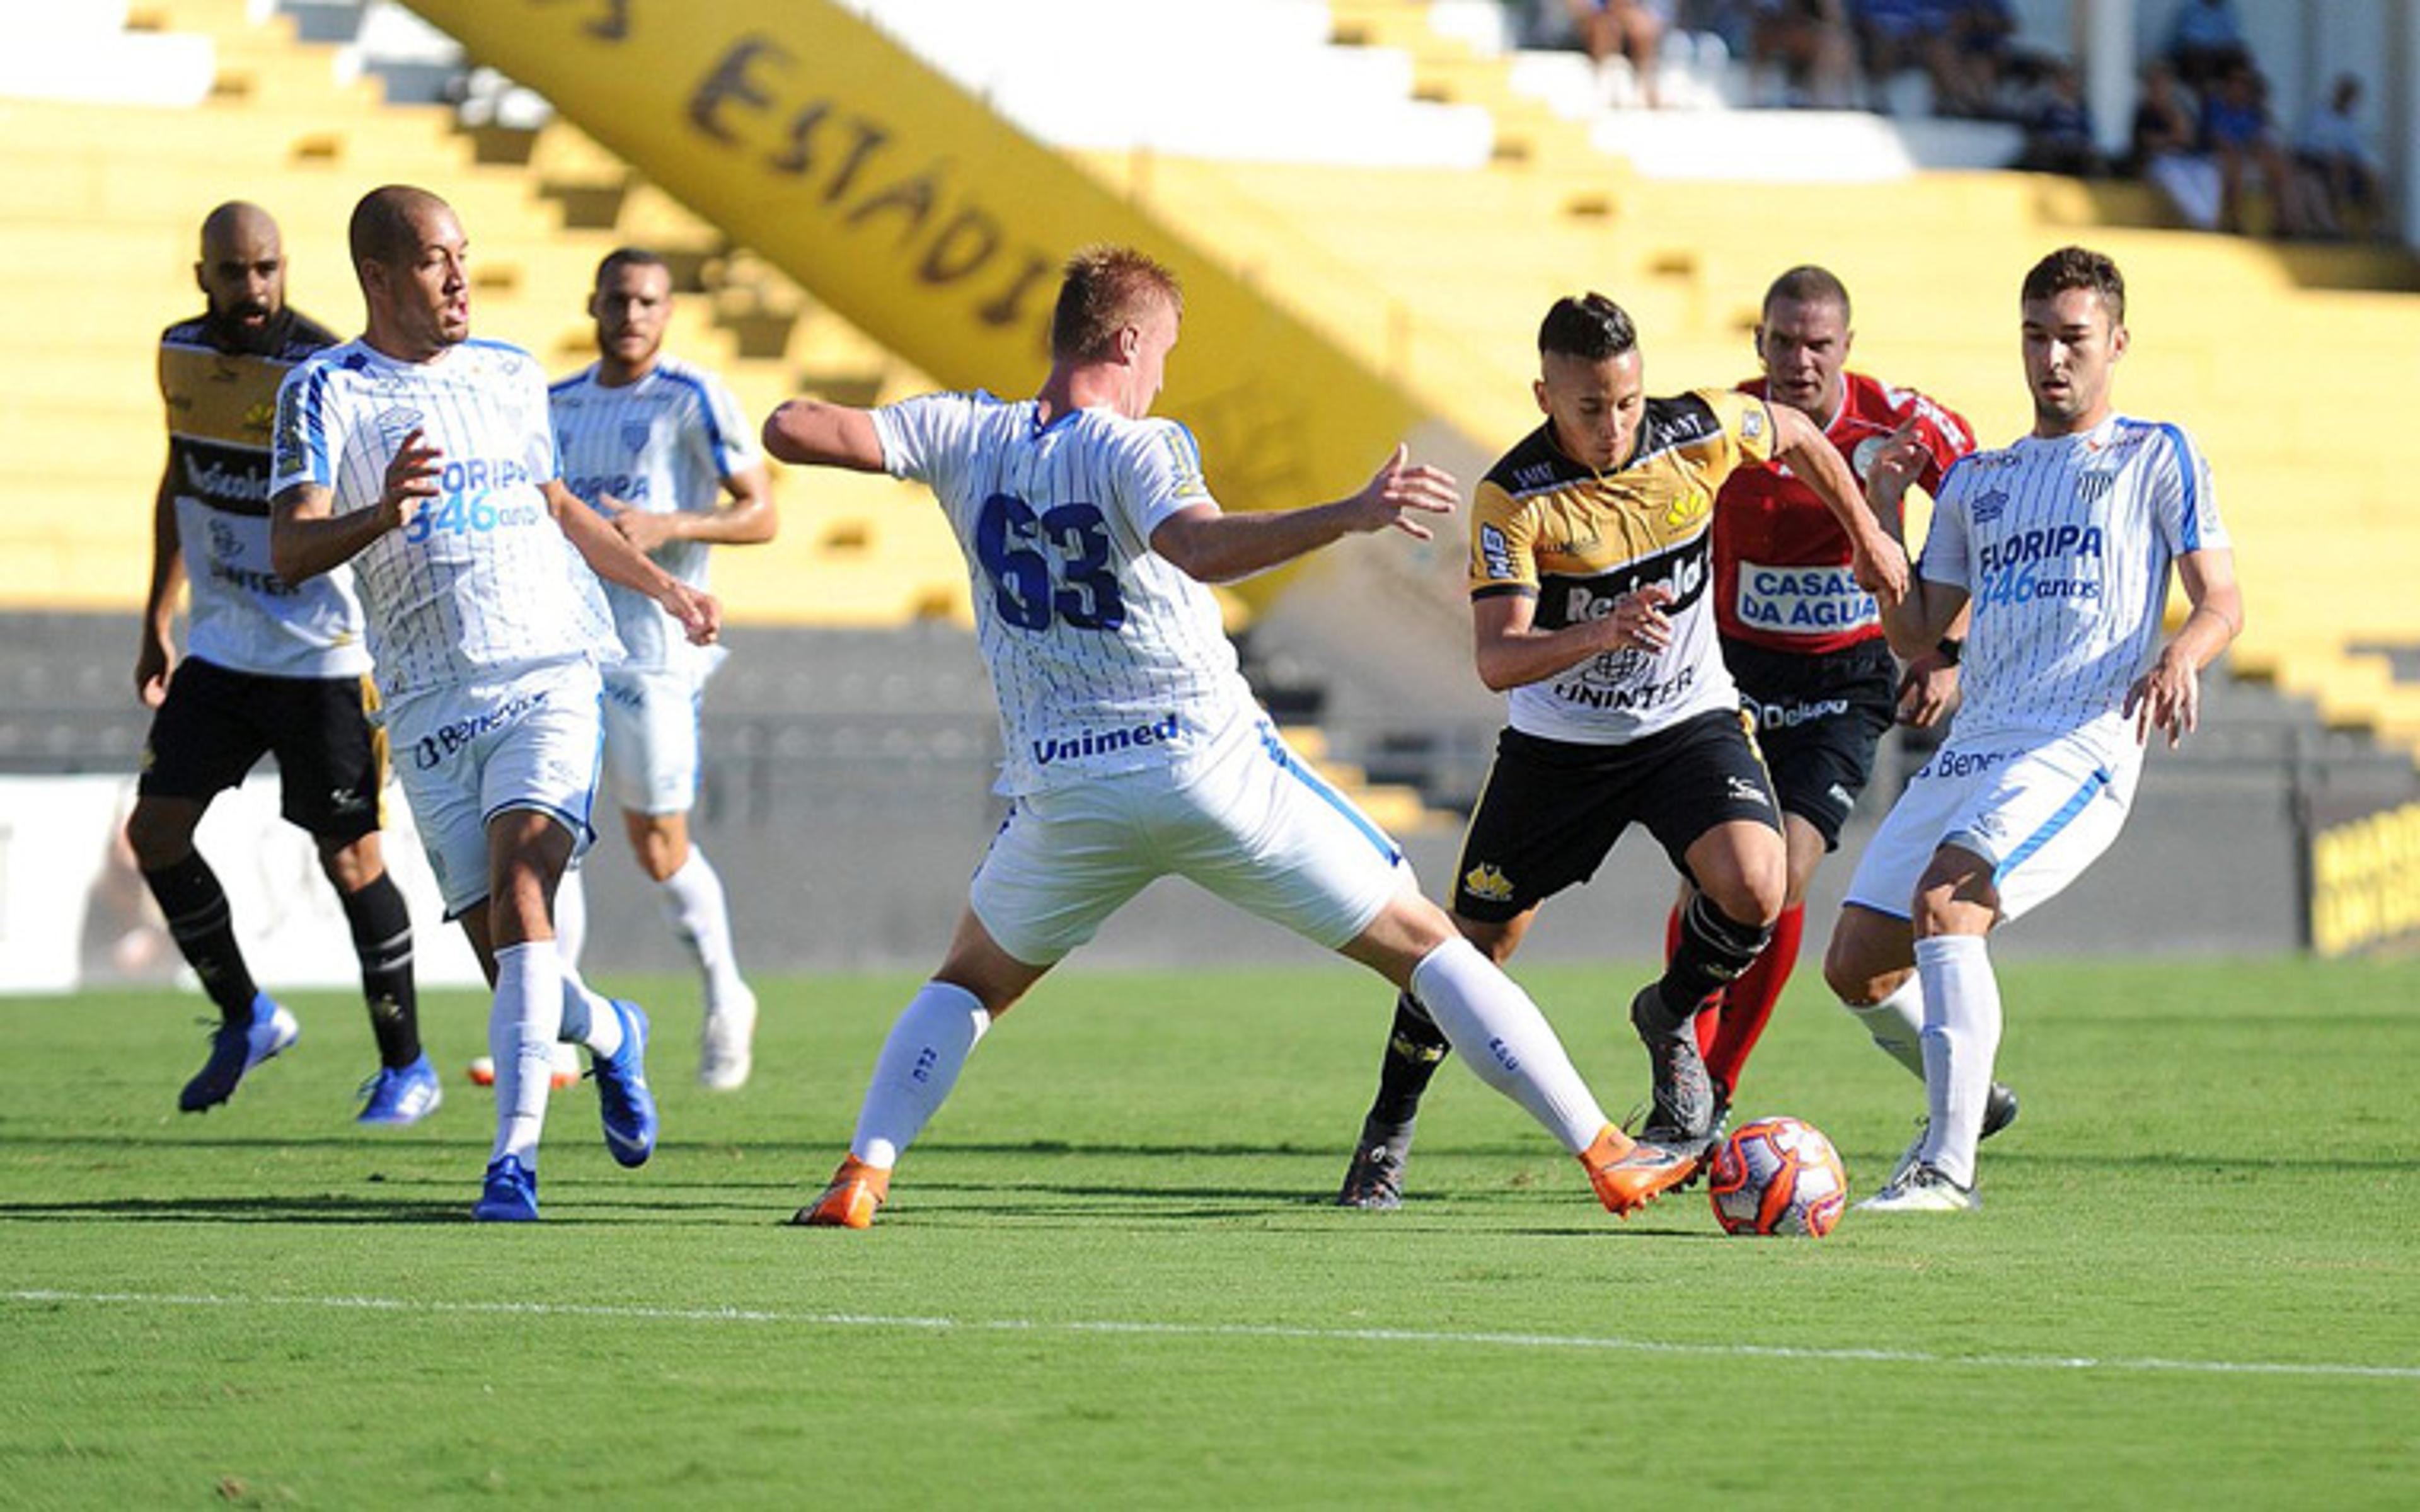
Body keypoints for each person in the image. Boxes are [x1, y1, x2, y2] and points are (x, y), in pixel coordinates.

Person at [763, 246, 1695, 1229]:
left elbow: (792, 427)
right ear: (1127, 340)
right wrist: (1350, 514)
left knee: (969, 984)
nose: (1163, 369)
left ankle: (862, 1175)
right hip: (1204, 766)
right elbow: (1201, 549)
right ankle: (1605, 1151)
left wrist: (880, 436)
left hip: (1064, 793)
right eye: (1162, 347)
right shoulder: (1138, 445)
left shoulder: (961, 431)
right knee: (1429, 946)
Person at [1332, 291, 1909, 1210]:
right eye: (1590, 407)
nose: (1615, 425)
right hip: (1559, 749)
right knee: (1468, 953)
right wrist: (1601, 633)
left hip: (1685, 725)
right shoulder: (1513, 498)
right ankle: (1387, 1131)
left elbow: (1797, 430)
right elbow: (1496, 658)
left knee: (1760, 887)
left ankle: (1668, 1011)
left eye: (1627, 401)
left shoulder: (1698, 428)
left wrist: (1868, 533)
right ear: (1545, 396)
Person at [269, 185, 722, 1221]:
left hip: (547, 672)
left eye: (464, 254)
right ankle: (612, 1033)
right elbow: (291, 548)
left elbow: (557, 506)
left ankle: (510, 1166)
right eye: (435, 261)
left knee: (528, 896)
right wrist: (381, 512)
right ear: (379, 277)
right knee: (517, 964)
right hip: (427, 704)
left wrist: (666, 586)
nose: (461, 278)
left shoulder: (513, 375)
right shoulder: (324, 392)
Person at [1823, 245, 2242, 1211]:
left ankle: (1946, 1162)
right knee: (1855, 964)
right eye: (2036, 337)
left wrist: (2183, 654)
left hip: (2079, 739)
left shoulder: (2155, 455)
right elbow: (1916, 631)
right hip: (1975, 744)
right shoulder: (1979, 481)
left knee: (1949, 904)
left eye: (2074, 339)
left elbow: (2222, 599)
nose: (2053, 359)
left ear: (2117, 344)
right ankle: (1972, 1095)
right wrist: (1881, 511)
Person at [133, 201, 435, 1124]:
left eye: (268, 269)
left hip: (322, 659)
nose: (255, 289)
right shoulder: (180, 353)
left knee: (352, 859)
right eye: (236, 273)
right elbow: (181, 477)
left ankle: (406, 1066)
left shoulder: (325, 369)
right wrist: (158, 612)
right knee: (155, 835)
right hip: (223, 650)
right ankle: (248, 1015)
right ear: (204, 279)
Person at [1664, 266, 1983, 1142]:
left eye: (1818, 345)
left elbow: (1986, 514)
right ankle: (1679, 1073)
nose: (1799, 361)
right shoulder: (1720, 425)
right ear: (1757, 344)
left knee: (1783, 874)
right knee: (1713, 880)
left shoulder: (1904, 422)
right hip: (1727, 677)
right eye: (1782, 343)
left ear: (1849, 347)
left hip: (1844, 683)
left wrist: (1946, 648)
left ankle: (1713, 1085)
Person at [549, 247, 776, 1089]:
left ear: (668, 311)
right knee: (550, 839)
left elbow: (762, 514)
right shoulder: (554, 404)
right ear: (593, 305)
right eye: (617, 300)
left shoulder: (692, 396)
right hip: (568, 654)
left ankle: (727, 993)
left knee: (657, 845)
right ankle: (555, 1029)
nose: (632, 315)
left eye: (647, 301)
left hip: (654, 655)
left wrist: (668, 524)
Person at [2293, 74, 2388, 242]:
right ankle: (2338, 222)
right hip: (2315, 160)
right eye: (2345, 93)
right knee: (2339, 165)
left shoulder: (2350, 122)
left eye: (2351, 96)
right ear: (2337, 93)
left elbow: (2357, 151)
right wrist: (2330, 154)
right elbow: (2303, 144)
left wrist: (2365, 166)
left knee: (2373, 175)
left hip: (2342, 162)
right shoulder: (2318, 115)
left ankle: (2377, 225)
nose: (2348, 99)